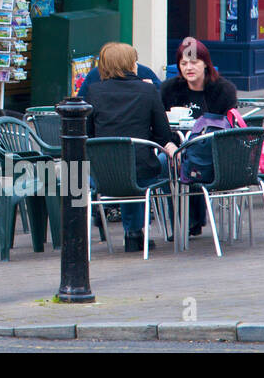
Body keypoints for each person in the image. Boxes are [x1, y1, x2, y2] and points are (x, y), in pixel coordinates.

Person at [86, 42, 179, 253]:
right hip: (141, 169)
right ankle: (135, 231)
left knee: (124, 167)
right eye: (134, 61)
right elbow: (163, 134)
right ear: (128, 64)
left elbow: (88, 133)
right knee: (144, 168)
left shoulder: (94, 92)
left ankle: (133, 232)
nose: (137, 65)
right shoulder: (147, 90)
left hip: (104, 173)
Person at [161, 37, 239, 236]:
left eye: (194, 62)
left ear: (206, 64)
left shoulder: (224, 90)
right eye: (184, 63)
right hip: (178, 147)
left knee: (194, 162)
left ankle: (193, 220)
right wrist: (169, 146)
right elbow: (159, 125)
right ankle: (180, 224)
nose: (189, 67)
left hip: (212, 150)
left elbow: (228, 126)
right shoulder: (169, 89)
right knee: (166, 162)